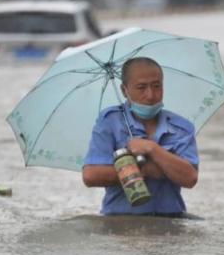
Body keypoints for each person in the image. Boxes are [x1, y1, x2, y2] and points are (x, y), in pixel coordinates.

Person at [82, 57, 199, 216]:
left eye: (156, 86)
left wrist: (151, 148)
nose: (150, 95)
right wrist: (145, 169)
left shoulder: (181, 127)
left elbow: (190, 178)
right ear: (124, 90)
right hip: (120, 221)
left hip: (170, 221)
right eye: (141, 87)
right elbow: (91, 176)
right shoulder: (109, 121)